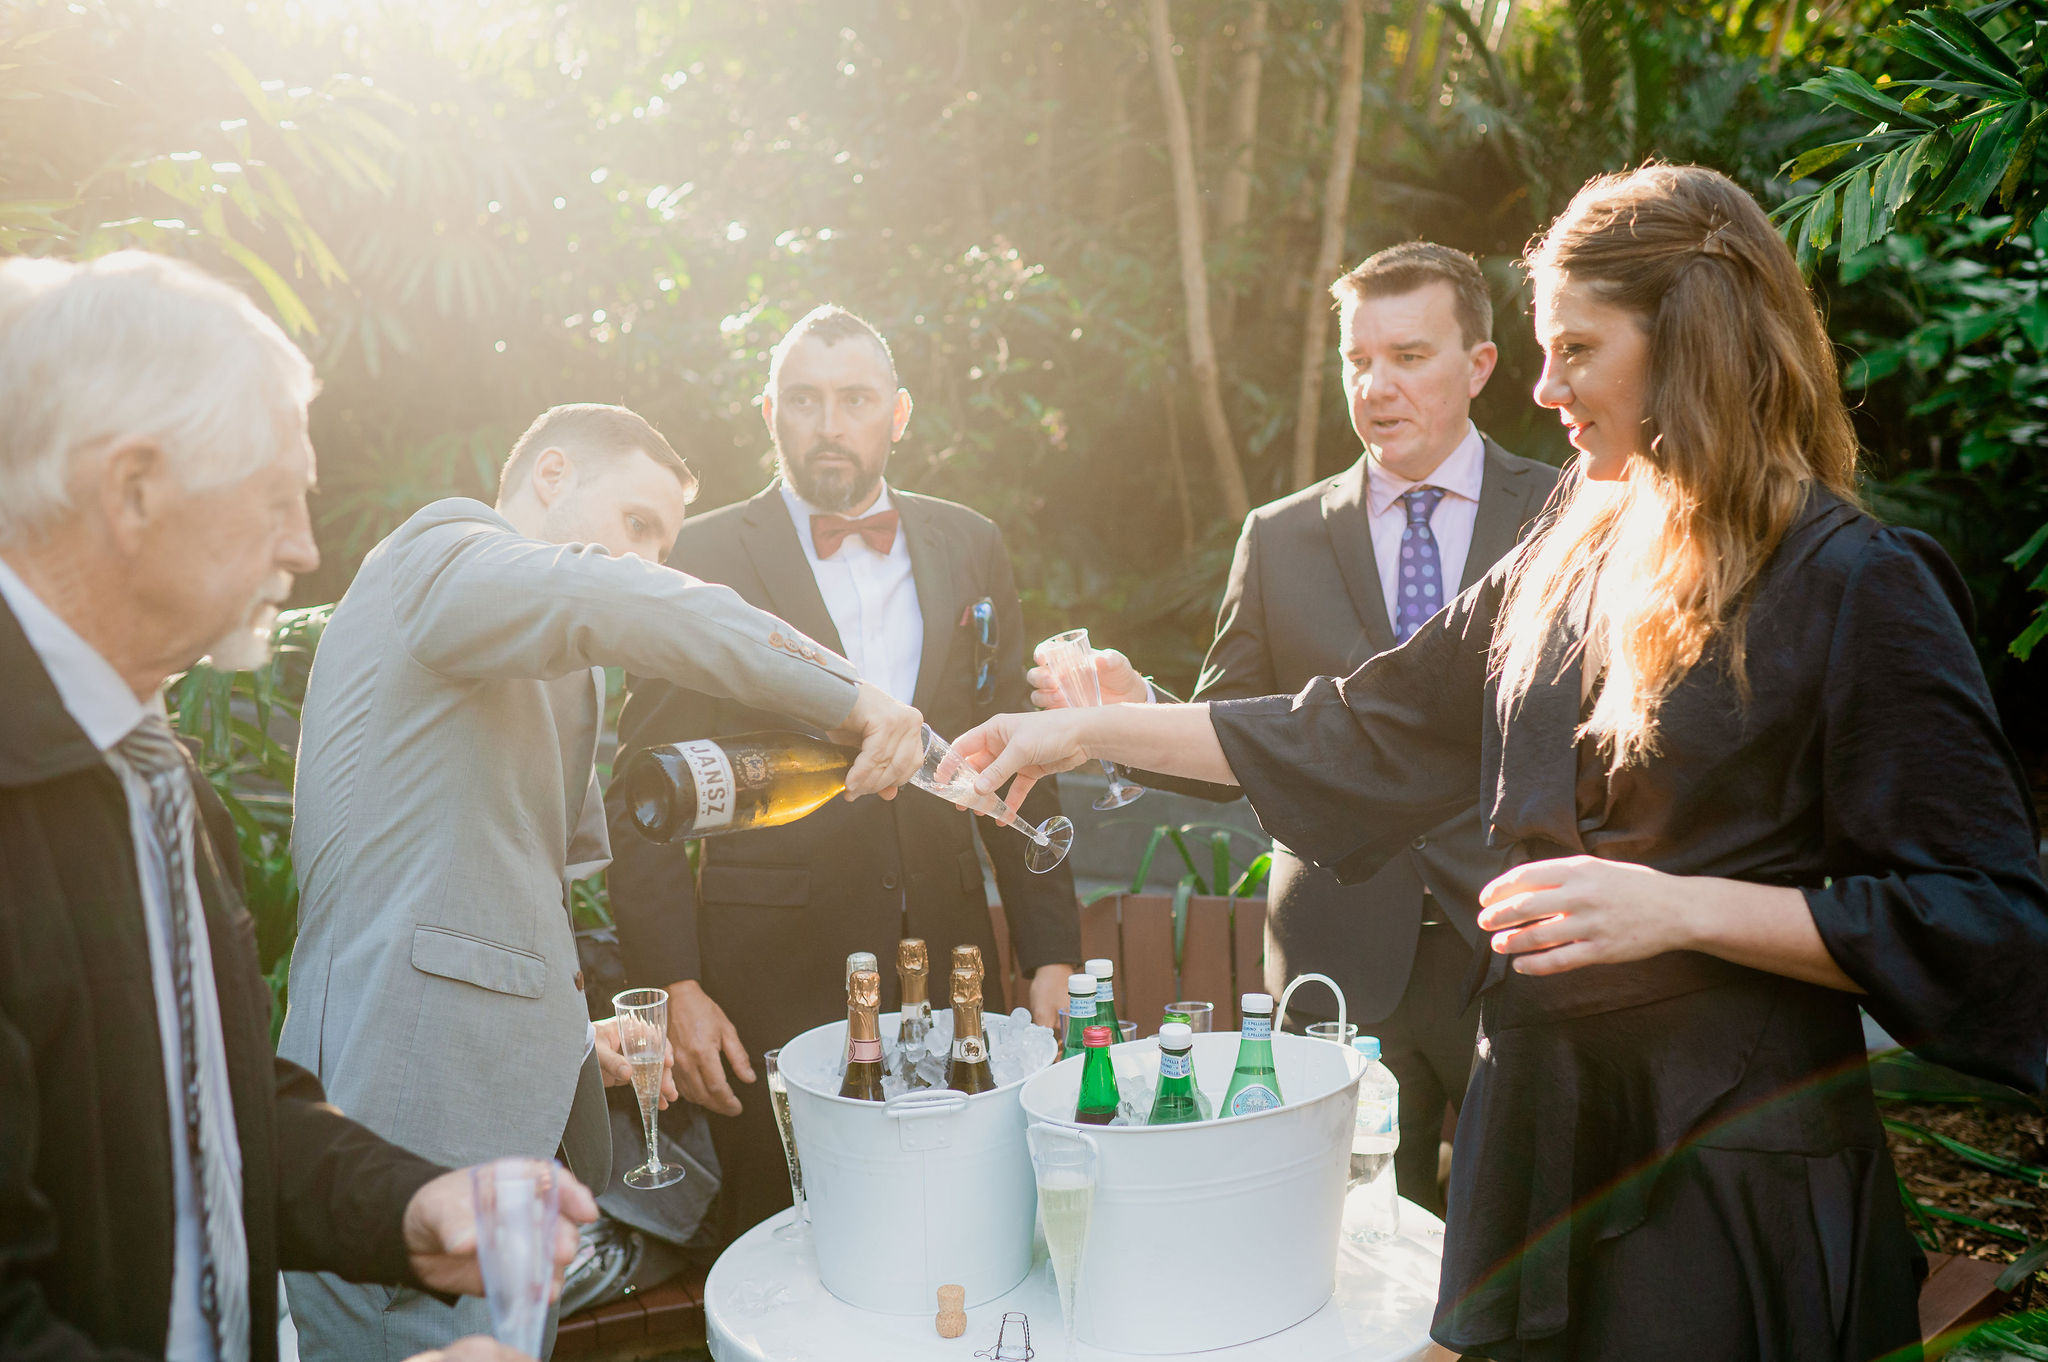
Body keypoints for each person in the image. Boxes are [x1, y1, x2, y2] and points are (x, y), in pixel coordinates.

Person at [954, 164, 2048, 1361]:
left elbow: (1983, 924)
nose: (1542, 388)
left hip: (1720, 1165)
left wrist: (1676, 911)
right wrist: (1079, 732)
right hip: (1535, 1135)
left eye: (1576, 348)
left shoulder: (1856, 585)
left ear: (1694, 341)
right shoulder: (1564, 556)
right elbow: (1349, 729)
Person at [0, 251, 593, 1362]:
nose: (305, 548)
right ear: (133, 492)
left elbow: (217, 1104)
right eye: (278, 498)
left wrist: (409, 1213)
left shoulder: (161, 778)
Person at [280, 401, 926, 1359]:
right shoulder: (437, 551)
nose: (648, 562)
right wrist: (849, 694)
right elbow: (611, 598)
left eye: (662, 542)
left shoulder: (543, 672)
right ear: (549, 475)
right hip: (406, 1121)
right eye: (635, 526)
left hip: (506, 1134)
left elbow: (473, 902)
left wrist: (572, 1043)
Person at [1031, 243, 1557, 1214]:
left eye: (1407, 357)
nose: (1375, 386)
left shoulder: (1562, 513)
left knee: (1520, 1250)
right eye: (1357, 361)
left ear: (1479, 365)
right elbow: (1235, 746)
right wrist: (1137, 709)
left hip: (1517, 946)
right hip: (1337, 954)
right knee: (1339, 1241)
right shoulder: (1277, 538)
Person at [605, 305, 1081, 1240]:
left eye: (855, 400)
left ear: (897, 415)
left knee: (949, 1221)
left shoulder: (970, 542)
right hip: (768, 971)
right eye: (807, 400)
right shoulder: (699, 553)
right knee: (784, 1235)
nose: (830, 423)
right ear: (769, 412)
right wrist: (677, 984)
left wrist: (1051, 950)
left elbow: (1019, 751)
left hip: (949, 961)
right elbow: (643, 790)